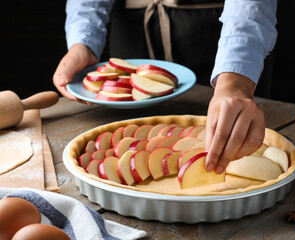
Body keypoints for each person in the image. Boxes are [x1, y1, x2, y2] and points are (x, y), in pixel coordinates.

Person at [53, 0, 278, 174]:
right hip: (132, 33)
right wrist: (83, 40)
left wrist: (235, 83)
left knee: (234, 130)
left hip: (219, 35)